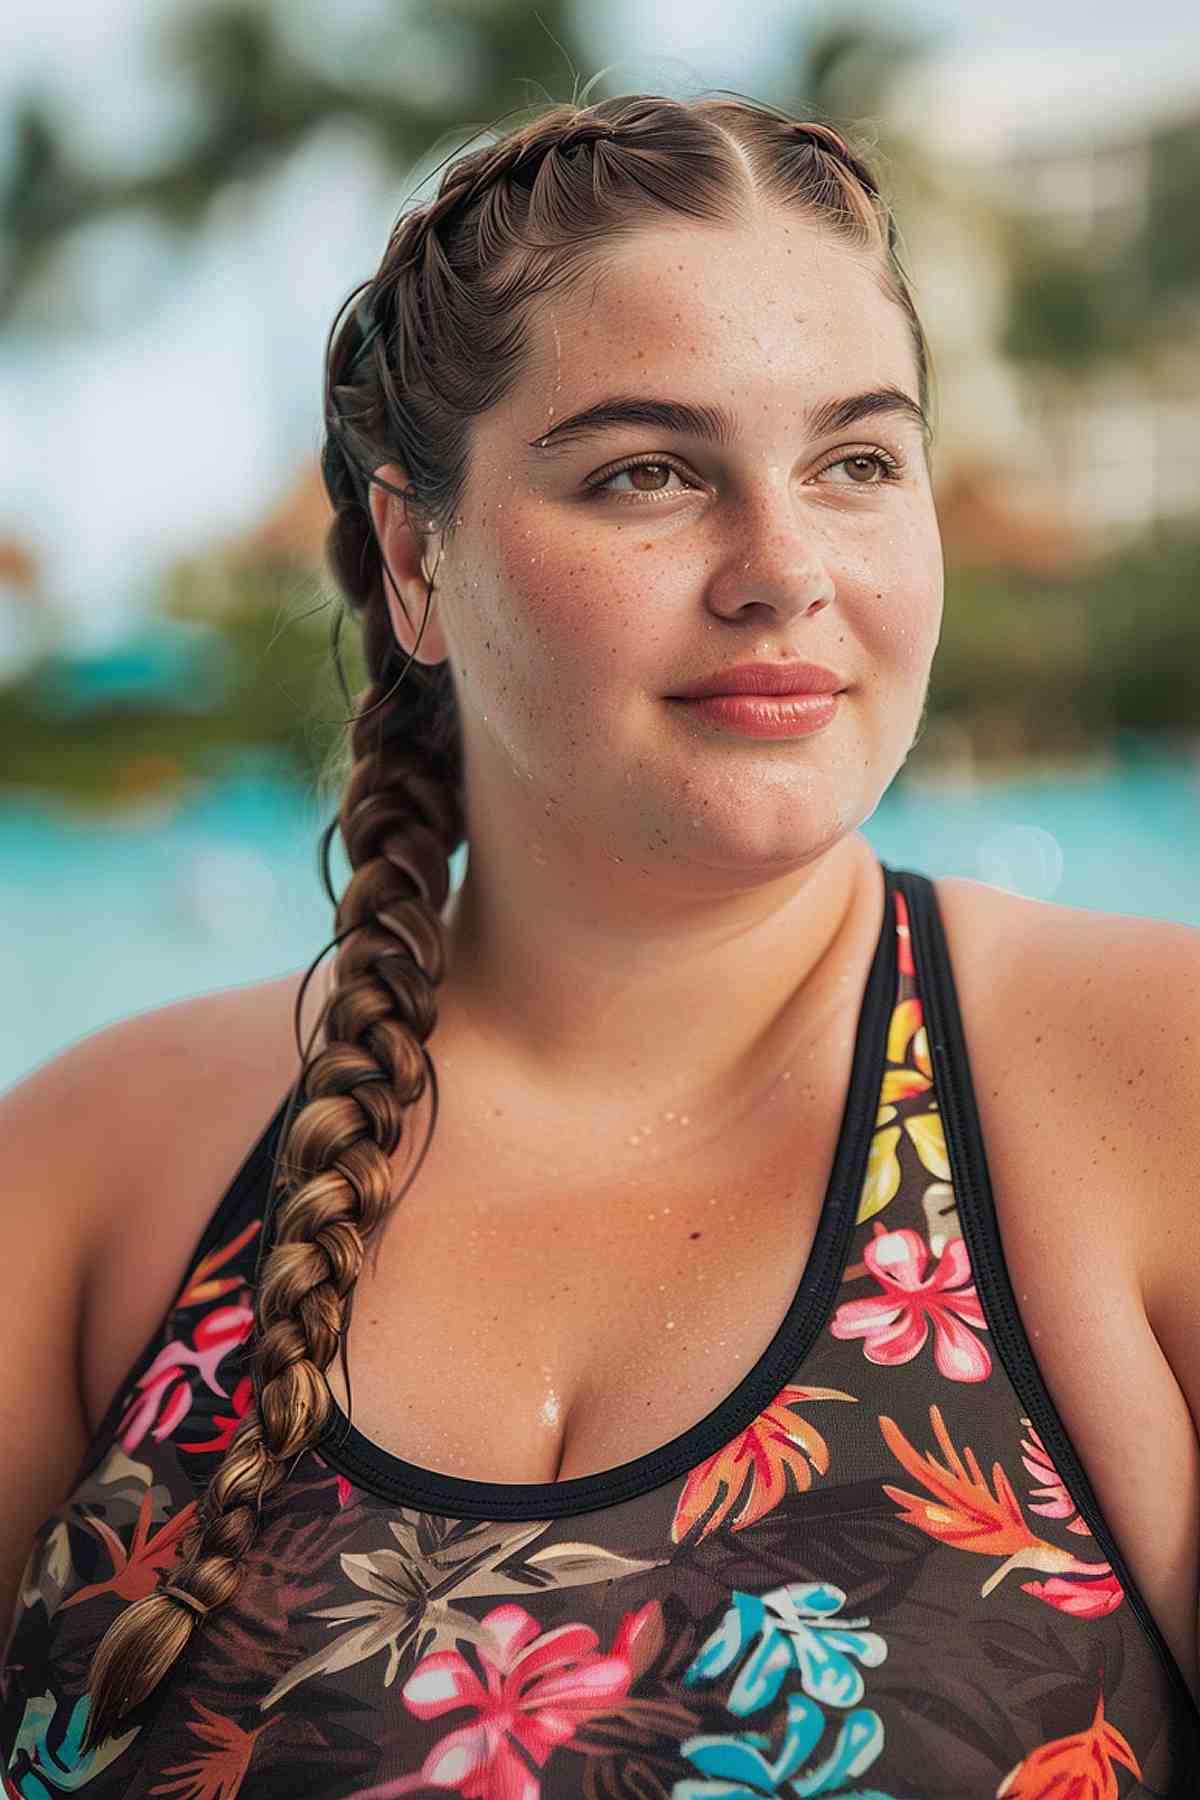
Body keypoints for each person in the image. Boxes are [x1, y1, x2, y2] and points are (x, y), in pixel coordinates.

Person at [1, 92, 1198, 1799]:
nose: (784, 570)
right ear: (416, 557)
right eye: (649, 472)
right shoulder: (94, 1177)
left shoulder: (1146, 1095)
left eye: (858, 460)